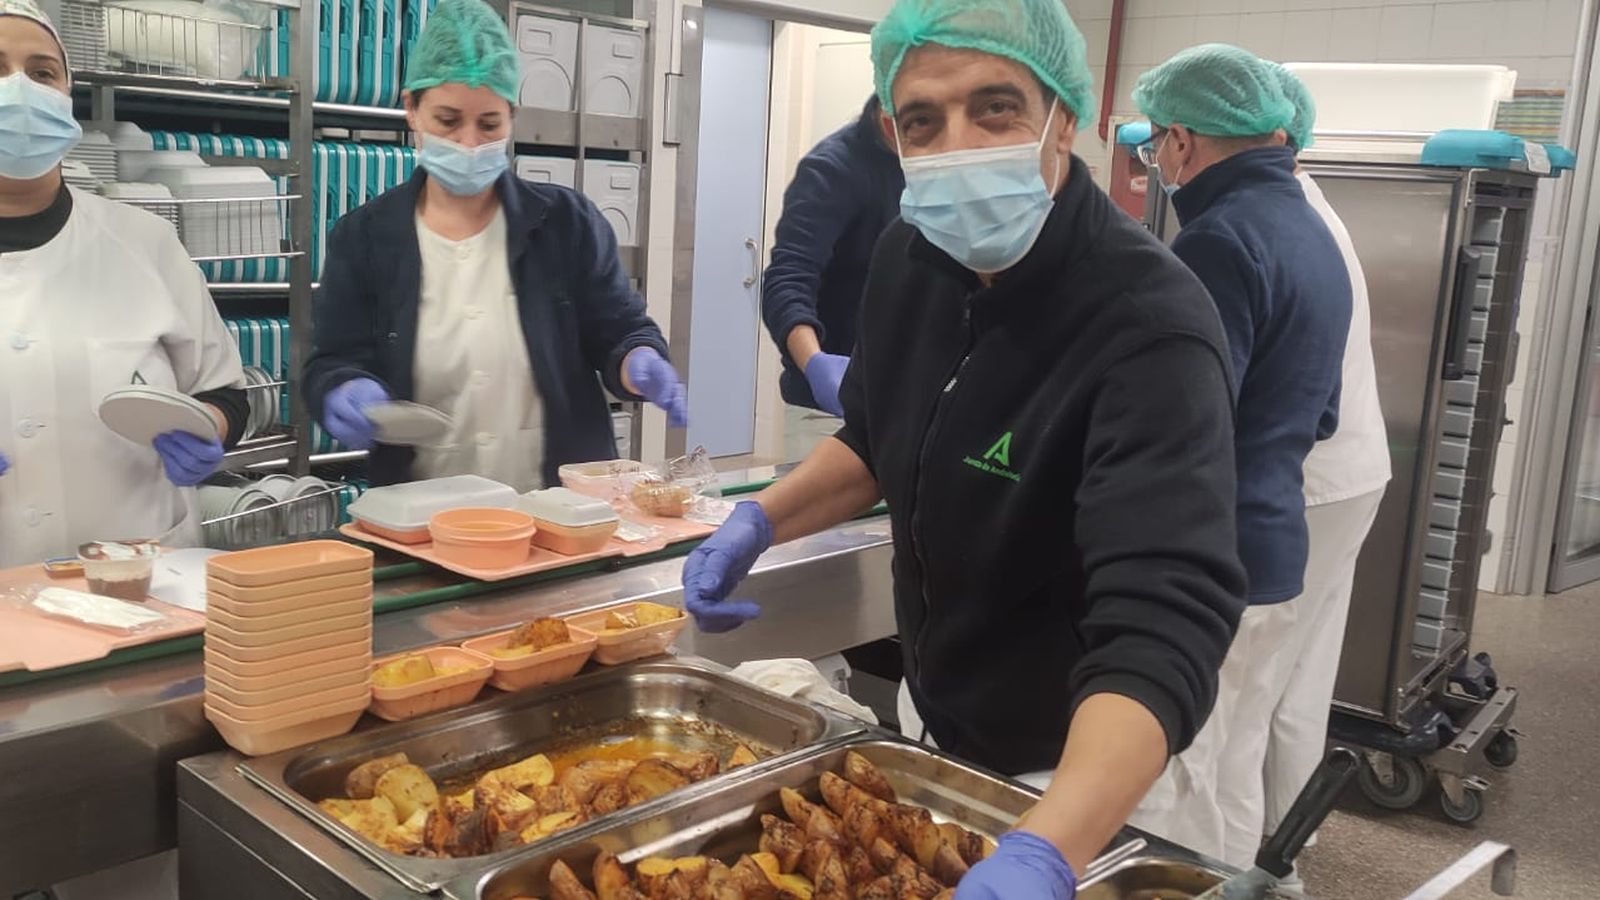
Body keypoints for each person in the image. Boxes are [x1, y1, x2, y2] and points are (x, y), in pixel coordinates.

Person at [680, 1, 1249, 896]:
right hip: (939, 727)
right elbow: (875, 438)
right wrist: (756, 523)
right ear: (891, 137)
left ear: (1064, 117)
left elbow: (1159, 628)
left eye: (996, 108)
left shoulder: (1149, 327)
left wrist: (1049, 850)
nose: (959, 145)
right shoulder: (907, 258)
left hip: (1081, 774)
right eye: (923, 121)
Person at [304, 0, 686, 492]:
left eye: (489, 124)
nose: (468, 142)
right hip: (424, 513)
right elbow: (331, 358)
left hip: (558, 512)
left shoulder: (566, 223)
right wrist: (340, 387)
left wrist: (638, 359)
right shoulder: (364, 237)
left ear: (512, 117)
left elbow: (620, 329)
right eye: (447, 120)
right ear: (411, 110)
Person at [1131, 44, 1353, 867]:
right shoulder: (1313, 232)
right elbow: (1321, 414)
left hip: (1211, 564)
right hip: (1276, 554)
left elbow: (1183, 426)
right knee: (1232, 766)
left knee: (1176, 779)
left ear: (1183, 141)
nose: (1156, 161)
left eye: (1156, 142)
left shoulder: (1218, 242)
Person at [0, 0, 247, 567]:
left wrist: (208, 428)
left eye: (42, 73)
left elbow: (225, 394)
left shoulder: (144, 241)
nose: (19, 90)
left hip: (142, 576)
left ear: (67, 95)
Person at [1258, 63, 1389, 870]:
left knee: (1250, 687)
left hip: (1304, 486)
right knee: (1297, 679)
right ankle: (1283, 857)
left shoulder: (1271, 224)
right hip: (1347, 477)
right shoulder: (1312, 210)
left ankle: (1246, 860)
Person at [760, 95, 902, 451]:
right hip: (831, 407)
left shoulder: (938, 170)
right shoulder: (833, 169)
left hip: (909, 398)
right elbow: (788, 278)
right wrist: (815, 364)